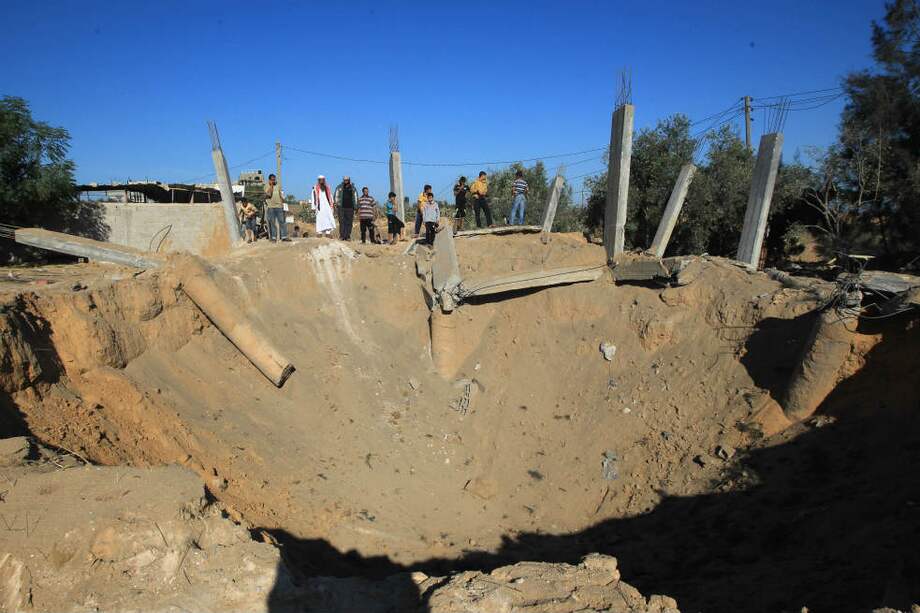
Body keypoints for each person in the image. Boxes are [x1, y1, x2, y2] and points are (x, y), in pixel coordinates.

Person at [264, 173, 288, 242]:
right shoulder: (266, 186)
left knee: (282, 221)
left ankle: (284, 237)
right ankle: (274, 237)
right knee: (272, 223)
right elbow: (269, 194)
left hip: (279, 206)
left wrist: (283, 204)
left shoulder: (278, 186)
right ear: (269, 180)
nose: (273, 181)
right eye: (272, 180)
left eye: (274, 180)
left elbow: (280, 195)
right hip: (271, 207)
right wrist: (271, 186)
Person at [335, 176, 358, 241]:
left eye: (347, 180)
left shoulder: (353, 188)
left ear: (349, 180)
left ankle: (347, 236)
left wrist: (356, 206)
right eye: (345, 180)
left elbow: (355, 197)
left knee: (349, 222)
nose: (346, 181)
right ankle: (342, 236)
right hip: (341, 207)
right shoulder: (339, 187)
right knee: (342, 222)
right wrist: (336, 204)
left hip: (350, 208)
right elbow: (336, 196)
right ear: (343, 180)